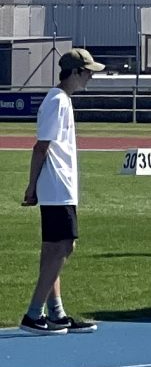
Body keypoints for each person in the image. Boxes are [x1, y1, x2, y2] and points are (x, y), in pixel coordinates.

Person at [18, 48, 101, 333]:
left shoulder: (62, 100)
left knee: (55, 248)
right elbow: (41, 146)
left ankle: (56, 312)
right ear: (75, 72)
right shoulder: (57, 101)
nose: (90, 77)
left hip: (60, 185)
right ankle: (34, 312)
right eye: (87, 72)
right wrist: (32, 185)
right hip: (56, 186)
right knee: (63, 247)